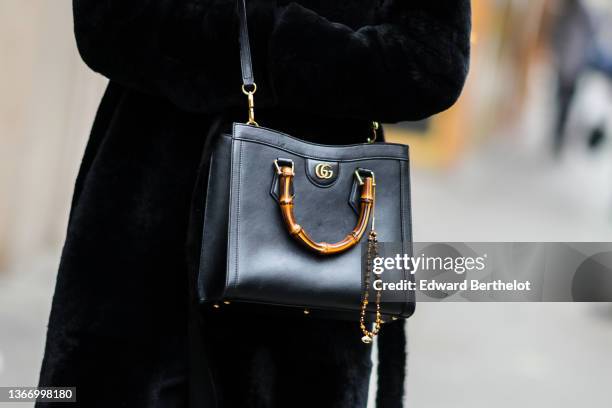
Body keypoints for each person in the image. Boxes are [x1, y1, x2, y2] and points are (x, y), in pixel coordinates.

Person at [37, 1, 471, 407]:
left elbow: (429, 62)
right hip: (144, 227)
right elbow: (107, 20)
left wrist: (264, 45)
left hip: (311, 246)